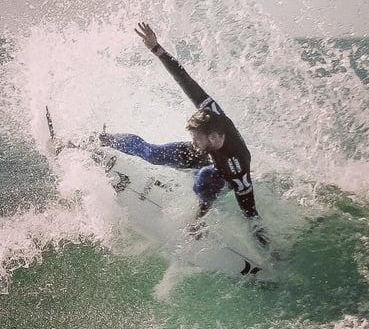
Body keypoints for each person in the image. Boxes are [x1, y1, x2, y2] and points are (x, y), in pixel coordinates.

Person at [99, 23, 270, 248]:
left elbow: (250, 209)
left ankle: (200, 220)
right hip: (205, 156)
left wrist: (266, 250)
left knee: (206, 179)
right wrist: (156, 48)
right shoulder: (211, 113)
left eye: (197, 138)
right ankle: (101, 139)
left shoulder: (236, 164)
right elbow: (185, 80)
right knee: (151, 152)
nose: (193, 141)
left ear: (214, 138)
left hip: (217, 174)